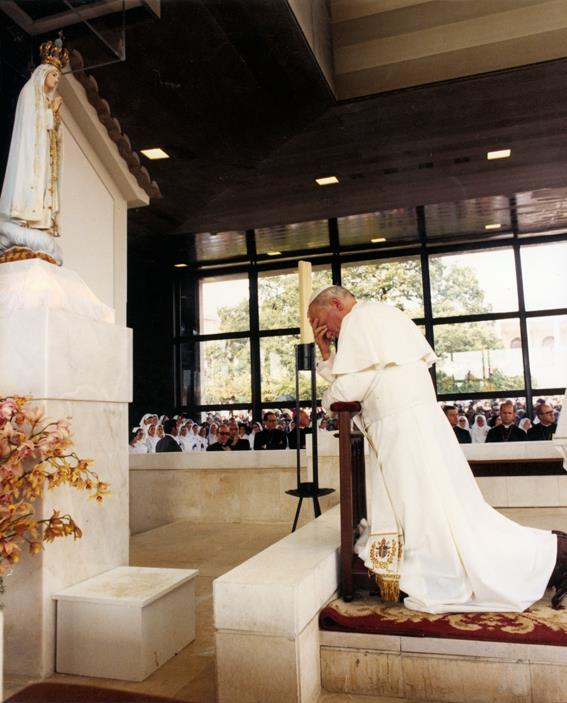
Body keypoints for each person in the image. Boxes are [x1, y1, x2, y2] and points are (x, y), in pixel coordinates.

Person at [308, 285, 564, 612]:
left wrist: (326, 388)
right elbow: (361, 378)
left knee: (431, 517)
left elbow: (347, 390)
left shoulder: (359, 321)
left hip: (402, 431)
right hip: (416, 426)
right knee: (447, 513)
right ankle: (552, 552)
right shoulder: (380, 315)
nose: (323, 329)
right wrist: (327, 353)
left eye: (320, 320)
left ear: (336, 303)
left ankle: (550, 555)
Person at [0, 41, 69, 264]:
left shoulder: (47, 101)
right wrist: (51, 114)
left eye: (58, 78)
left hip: (43, 159)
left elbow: (52, 134)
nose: (56, 81)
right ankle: (24, 220)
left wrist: (54, 116)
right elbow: (32, 126)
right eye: (53, 75)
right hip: (30, 156)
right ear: (43, 74)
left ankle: (37, 223)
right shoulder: (30, 94)